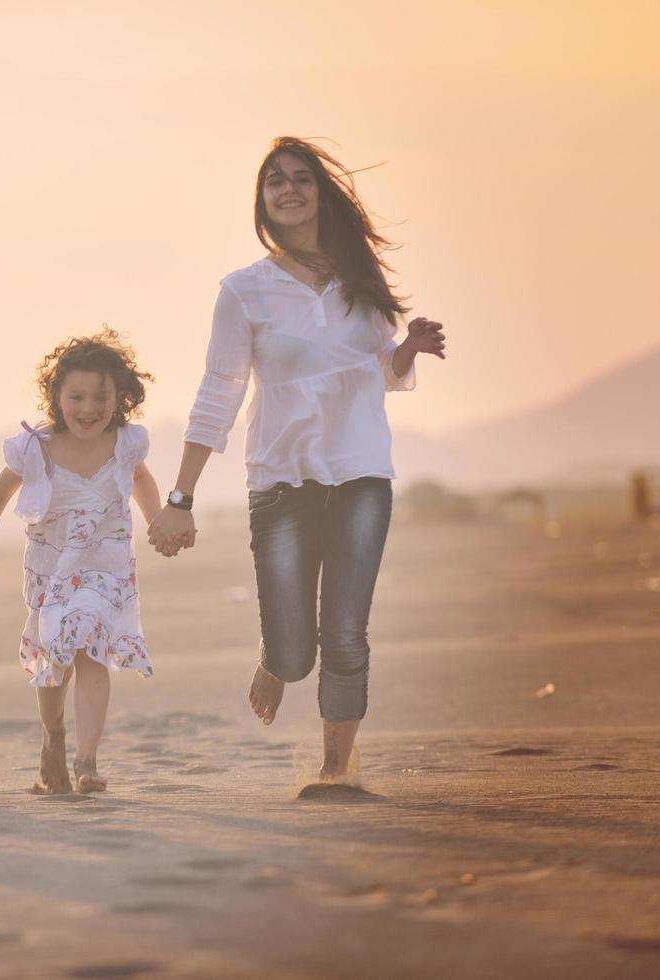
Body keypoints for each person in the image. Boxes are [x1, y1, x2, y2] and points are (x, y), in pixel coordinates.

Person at [147, 137, 447, 784]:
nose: (288, 189)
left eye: (301, 179)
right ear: (262, 201)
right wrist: (181, 499)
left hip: (361, 474)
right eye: (275, 181)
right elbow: (218, 394)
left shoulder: (360, 281)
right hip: (281, 481)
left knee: (344, 632)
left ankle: (335, 767)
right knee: (294, 647)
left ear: (320, 193)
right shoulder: (244, 292)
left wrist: (408, 351)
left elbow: (378, 372)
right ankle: (276, 657)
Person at [0, 330, 161, 794]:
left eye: (100, 397)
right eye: (76, 397)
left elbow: (142, 480)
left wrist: (158, 519)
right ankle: (54, 735)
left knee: (89, 646)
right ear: (56, 397)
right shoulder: (36, 449)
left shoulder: (126, 444)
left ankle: (87, 759)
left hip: (107, 566)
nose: (88, 408)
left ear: (120, 398)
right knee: (55, 659)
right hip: (51, 570)